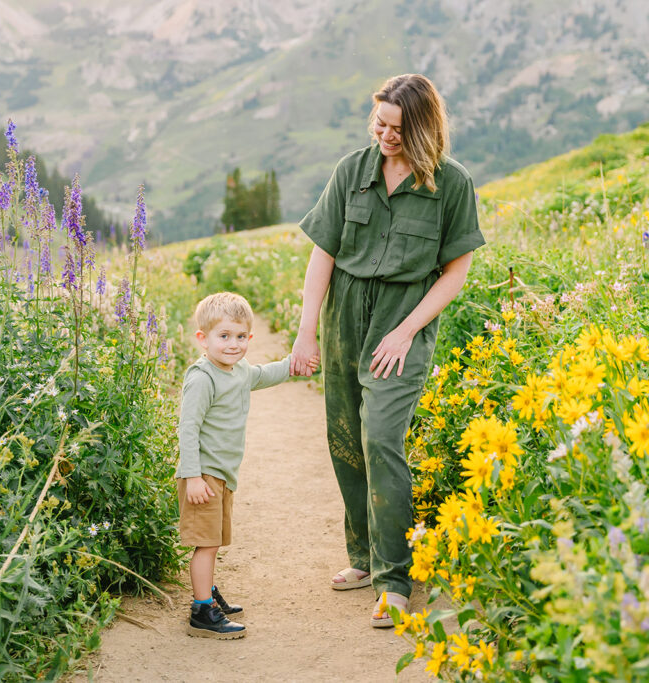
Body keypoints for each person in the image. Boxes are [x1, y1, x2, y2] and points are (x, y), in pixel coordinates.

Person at [289, 74, 485, 627]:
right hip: (344, 312)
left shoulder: (452, 184)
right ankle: (365, 559)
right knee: (345, 435)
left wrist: (404, 331)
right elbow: (323, 254)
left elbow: (454, 275)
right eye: (379, 123)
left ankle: (395, 577)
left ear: (423, 127)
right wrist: (307, 330)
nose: (384, 135)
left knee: (381, 436)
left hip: (405, 318)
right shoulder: (352, 170)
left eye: (397, 128)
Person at [176, 291, 304, 638]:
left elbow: (263, 374)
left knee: (214, 540)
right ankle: (202, 610)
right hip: (202, 475)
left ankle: (209, 593)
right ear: (203, 339)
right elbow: (187, 428)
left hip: (221, 475)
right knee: (206, 543)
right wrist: (192, 477)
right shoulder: (203, 378)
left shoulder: (238, 370)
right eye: (224, 336)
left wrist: (293, 363)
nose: (233, 344)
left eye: (241, 336)